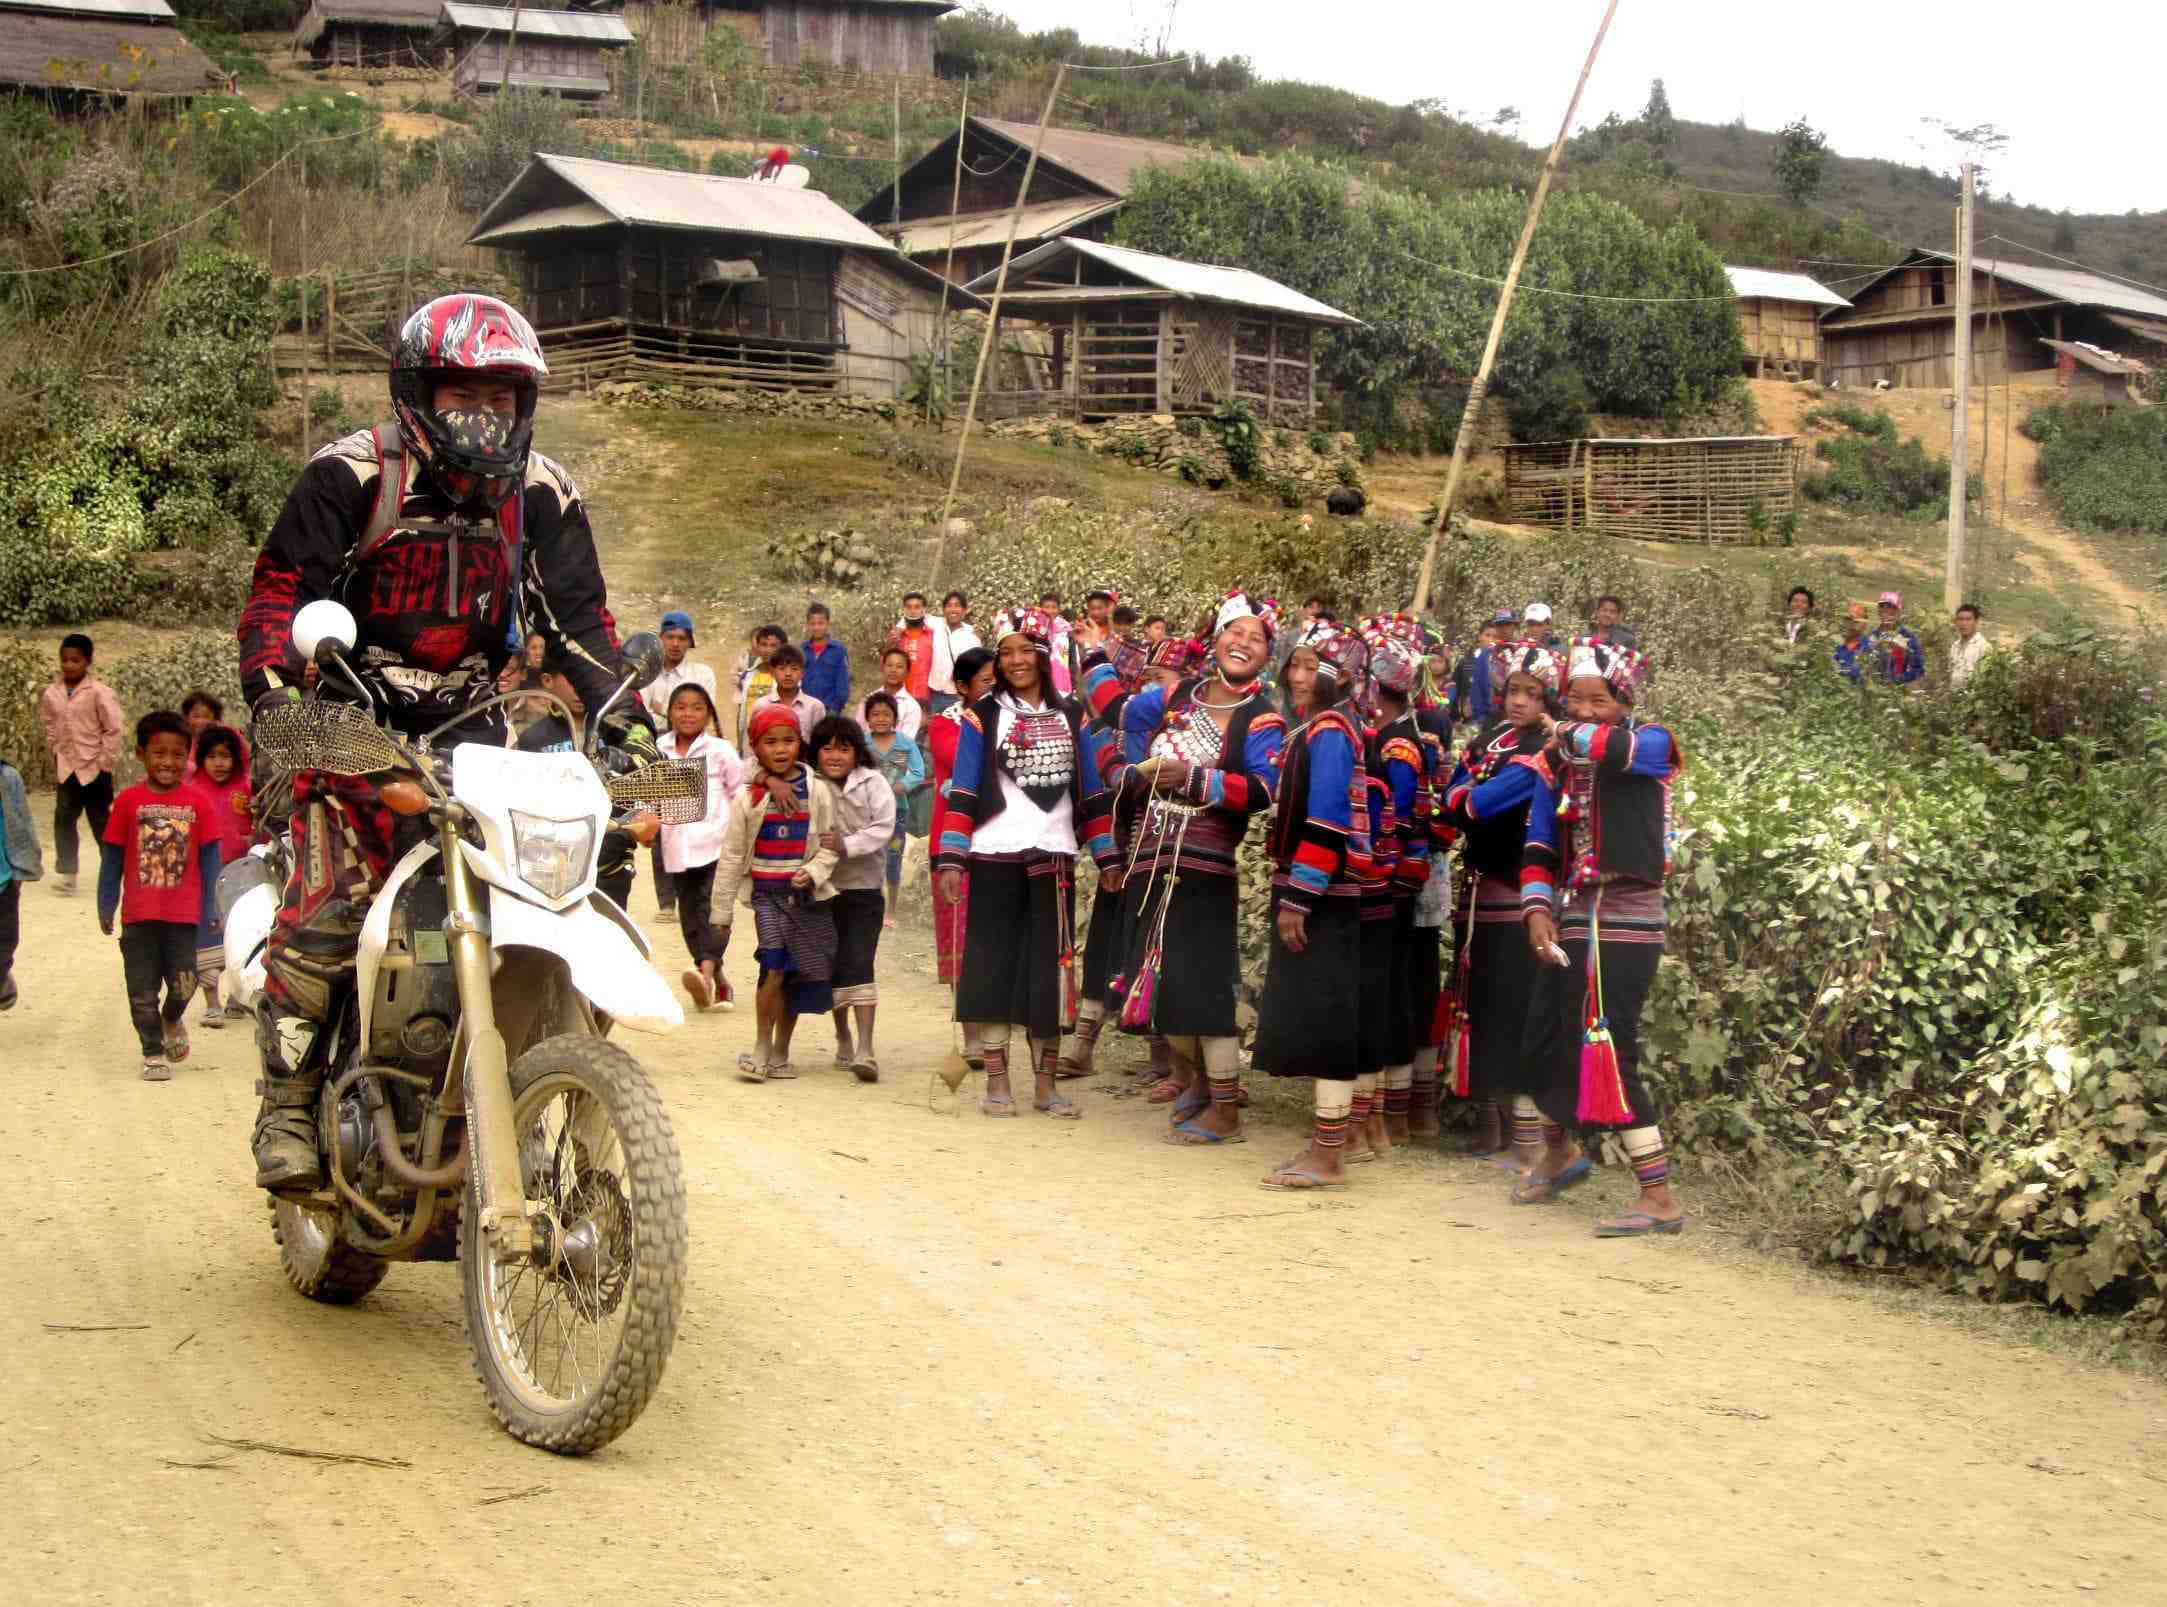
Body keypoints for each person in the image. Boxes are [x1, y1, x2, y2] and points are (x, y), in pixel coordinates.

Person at [238, 292, 653, 1190]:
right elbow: (275, 605)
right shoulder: (347, 476)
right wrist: (299, 717)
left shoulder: (543, 493)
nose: (485, 418)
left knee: (567, 889)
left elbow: (583, 628)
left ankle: (533, 1084)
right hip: (355, 717)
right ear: (418, 392)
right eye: (466, 396)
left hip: (477, 733)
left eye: (503, 400)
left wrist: (642, 750)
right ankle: (287, 1097)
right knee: (331, 908)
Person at [1086, 596, 1284, 1144]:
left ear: (1268, 654)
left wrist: (1198, 781)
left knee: (1204, 990)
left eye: (1257, 638)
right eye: (1234, 632)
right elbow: (1114, 715)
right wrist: (1094, 657)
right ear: (1214, 639)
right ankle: (1198, 1084)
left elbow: (1266, 789)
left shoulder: (1261, 717)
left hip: (1203, 870)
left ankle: (1226, 1109)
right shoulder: (1176, 699)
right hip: (1150, 862)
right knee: (1161, 990)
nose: (1243, 643)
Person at [1517, 638, 1684, 1237]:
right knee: (1544, 1038)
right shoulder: (1554, 764)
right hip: (1572, 919)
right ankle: (1560, 1152)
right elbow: (1538, 842)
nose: (1586, 711)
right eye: (1576, 700)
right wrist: (1536, 910)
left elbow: (1610, 745)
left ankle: (1657, 1193)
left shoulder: (1653, 744)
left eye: (1600, 700)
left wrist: (1559, 730)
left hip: (1629, 925)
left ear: (1627, 700)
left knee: (1612, 1046)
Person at [935, 607, 1115, 1120]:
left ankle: (1045, 1086)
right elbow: (965, 787)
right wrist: (953, 857)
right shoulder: (982, 716)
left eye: (1024, 650)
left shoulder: (1072, 715)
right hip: (992, 855)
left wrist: (1106, 855)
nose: (1014, 660)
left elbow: (1091, 791)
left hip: (1053, 857)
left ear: (1043, 656)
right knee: (991, 967)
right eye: (1005, 651)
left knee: (1052, 973)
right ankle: (996, 1082)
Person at [1255, 628, 1372, 1189]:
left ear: (1341, 677)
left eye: (1311, 667)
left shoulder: (1328, 733)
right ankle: (1332, 1142)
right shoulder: (1316, 729)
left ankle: (1329, 1156)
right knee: (1322, 1017)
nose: (1299, 678)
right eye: (1294, 667)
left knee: (1326, 1022)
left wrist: (1298, 898)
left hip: (1324, 895)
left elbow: (1327, 818)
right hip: (1321, 890)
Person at [1440, 640, 1562, 1165]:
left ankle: (1528, 1140)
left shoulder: (1547, 749)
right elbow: (1454, 797)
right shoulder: (1493, 739)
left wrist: (1466, 797)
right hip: (1477, 897)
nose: (1519, 701)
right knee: (1479, 1007)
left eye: (1532, 693)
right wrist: (1464, 798)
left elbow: (1476, 802)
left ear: (1548, 700)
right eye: (1513, 689)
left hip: (1517, 899)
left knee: (1514, 1009)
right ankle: (1489, 1130)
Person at [710, 704, 840, 1083]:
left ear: (800, 743)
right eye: (770, 742)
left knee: (796, 974)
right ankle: (761, 1044)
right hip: (767, 894)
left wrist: (813, 871)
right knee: (774, 967)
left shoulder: (817, 791)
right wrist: (721, 914)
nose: (781, 749)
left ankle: (782, 1050)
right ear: (756, 748)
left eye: (788, 740)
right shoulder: (748, 799)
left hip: (804, 897)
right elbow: (733, 855)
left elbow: (829, 845)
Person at [99, 711, 221, 1081]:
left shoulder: (200, 804)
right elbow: (113, 858)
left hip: (184, 918)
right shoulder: (127, 802)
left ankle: (172, 1018)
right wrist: (106, 903)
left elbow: (210, 861)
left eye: (177, 754)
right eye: (158, 753)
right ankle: (152, 1051)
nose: (167, 762)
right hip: (138, 917)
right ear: (140, 754)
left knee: (186, 983)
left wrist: (214, 908)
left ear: (187, 756)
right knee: (141, 990)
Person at [1360, 616, 1434, 1149]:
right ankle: (1392, 1116)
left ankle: (1384, 1118)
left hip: (1389, 883)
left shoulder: (1396, 745)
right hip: (1396, 880)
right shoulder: (1398, 736)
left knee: (1388, 990)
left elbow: (1403, 818)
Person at [518, 646, 651, 908]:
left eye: (589, 679)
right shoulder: (531, 740)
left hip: (611, 863)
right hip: (551, 867)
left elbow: (644, 785)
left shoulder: (620, 733)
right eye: (572, 678)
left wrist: (643, 820)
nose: (581, 687)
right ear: (547, 681)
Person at [810, 715, 897, 1082]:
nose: (834, 755)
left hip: (863, 889)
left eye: (843, 748)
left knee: (859, 962)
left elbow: (883, 827)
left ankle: (866, 1047)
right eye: (826, 748)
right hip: (822, 888)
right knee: (833, 965)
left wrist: (848, 844)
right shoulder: (809, 783)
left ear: (856, 752)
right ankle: (842, 1034)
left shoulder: (873, 783)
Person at [927, 646, 996, 1065]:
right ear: (962, 687)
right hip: (954, 842)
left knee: (990, 936)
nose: (994, 688)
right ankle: (972, 1031)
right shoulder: (944, 724)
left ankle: (992, 1027)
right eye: (986, 681)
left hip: (999, 839)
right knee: (961, 938)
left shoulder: (1011, 719)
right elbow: (964, 762)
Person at [658, 683, 740, 1013]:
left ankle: (704, 975)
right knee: (691, 919)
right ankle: (719, 982)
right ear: (670, 712)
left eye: (696, 707)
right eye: (680, 707)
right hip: (675, 847)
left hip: (718, 845)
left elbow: (739, 794)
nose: (688, 714)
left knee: (714, 912)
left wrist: (741, 841)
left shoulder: (720, 750)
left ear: (708, 713)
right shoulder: (658, 749)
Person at [641, 611, 716, 914]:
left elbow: (703, 712)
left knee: (693, 824)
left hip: (693, 753)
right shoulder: (645, 672)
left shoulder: (701, 674)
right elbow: (642, 711)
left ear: (690, 641)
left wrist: (664, 711)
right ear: (660, 639)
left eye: (681, 638)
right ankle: (665, 901)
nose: (675, 644)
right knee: (660, 827)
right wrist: (670, 715)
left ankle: (694, 893)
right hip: (656, 751)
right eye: (670, 637)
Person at [38, 633, 122, 898]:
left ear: (87, 662)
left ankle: (112, 874)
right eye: (65, 660)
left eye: (75, 660)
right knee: (63, 819)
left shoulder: (99, 692)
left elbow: (114, 727)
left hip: (95, 768)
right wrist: (54, 748)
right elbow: (50, 724)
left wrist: (104, 761)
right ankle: (68, 875)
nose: (69, 666)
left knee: (102, 823)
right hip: (67, 768)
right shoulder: (52, 693)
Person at [188, 724, 254, 1027]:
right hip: (203, 879)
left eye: (225, 756)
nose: (219, 763)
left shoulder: (248, 789)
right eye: (212, 756)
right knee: (207, 941)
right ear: (200, 758)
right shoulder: (192, 790)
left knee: (239, 938)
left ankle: (237, 997)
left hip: (239, 878)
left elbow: (259, 824)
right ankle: (212, 1002)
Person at [862, 692, 924, 928]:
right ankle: (870, 907)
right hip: (867, 813)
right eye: (875, 714)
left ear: (895, 718)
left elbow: (918, 772)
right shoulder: (863, 744)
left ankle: (891, 911)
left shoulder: (905, 744)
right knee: (868, 858)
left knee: (893, 858)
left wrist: (903, 785)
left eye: (886, 714)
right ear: (867, 718)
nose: (880, 719)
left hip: (897, 811)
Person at [0, 746, 41, 1011]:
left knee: (5, 938)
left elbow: (22, 826)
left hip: (3, 880)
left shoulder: (7, 778)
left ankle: (1, 973)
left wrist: (22, 870)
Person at [1454, 611, 1516, 730]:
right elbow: (1476, 688)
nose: (1503, 629)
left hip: (1513, 719)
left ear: (1515, 626)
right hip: (1487, 719)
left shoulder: (1520, 652)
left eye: (1508, 624)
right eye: (1500, 625)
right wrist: (1480, 718)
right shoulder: (1485, 655)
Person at [754, 643, 825, 740]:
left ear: (803, 673)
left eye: (794, 669)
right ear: (772, 672)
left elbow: (820, 743)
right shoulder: (762, 705)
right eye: (782, 668)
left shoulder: (815, 707)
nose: (788, 674)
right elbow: (754, 742)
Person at [927, 590, 982, 715]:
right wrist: (898, 630)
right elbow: (913, 615)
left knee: (952, 731)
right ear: (943, 609)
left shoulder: (972, 634)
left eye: (957, 605)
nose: (953, 610)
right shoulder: (934, 624)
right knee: (931, 731)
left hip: (955, 696)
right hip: (932, 693)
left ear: (965, 610)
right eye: (949, 605)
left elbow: (975, 666)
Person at [858, 646, 924, 743]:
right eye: (889, 665)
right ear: (882, 668)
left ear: (907, 672)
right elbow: (859, 732)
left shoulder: (912, 707)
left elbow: (906, 742)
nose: (893, 670)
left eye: (899, 666)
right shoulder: (868, 699)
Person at [801, 600, 851, 714]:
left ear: (828, 623)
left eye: (820, 623)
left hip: (830, 709)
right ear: (807, 624)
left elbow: (843, 681)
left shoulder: (838, 649)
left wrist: (836, 706)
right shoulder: (802, 649)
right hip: (806, 708)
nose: (816, 627)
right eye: (813, 623)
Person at [891, 591, 937, 711]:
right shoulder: (897, 635)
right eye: (909, 607)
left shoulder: (933, 635)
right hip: (900, 695)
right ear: (904, 610)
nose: (913, 611)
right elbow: (886, 662)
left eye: (917, 607)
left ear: (924, 610)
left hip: (927, 697)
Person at [1870, 591, 1924, 685]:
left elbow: (1918, 669)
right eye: (1882, 606)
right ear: (1878, 610)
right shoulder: (1873, 636)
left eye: (1892, 607)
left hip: (1897, 692)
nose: (1886, 610)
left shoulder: (1908, 637)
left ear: (1898, 612)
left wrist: (1898, 681)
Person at [1949, 602, 1991, 688]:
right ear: (1956, 622)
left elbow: (1987, 681)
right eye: (1960, 619)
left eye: (1968, 619)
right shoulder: (1955, 646)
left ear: (1976, 621)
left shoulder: (1983, 647)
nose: (1964, 623)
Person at [1833, 603, 1874, 683]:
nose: (1851, 624)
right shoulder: (1834, 643)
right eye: (1848, 619)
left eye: (1856, 621)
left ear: (1864, 624)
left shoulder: (1869, 649)